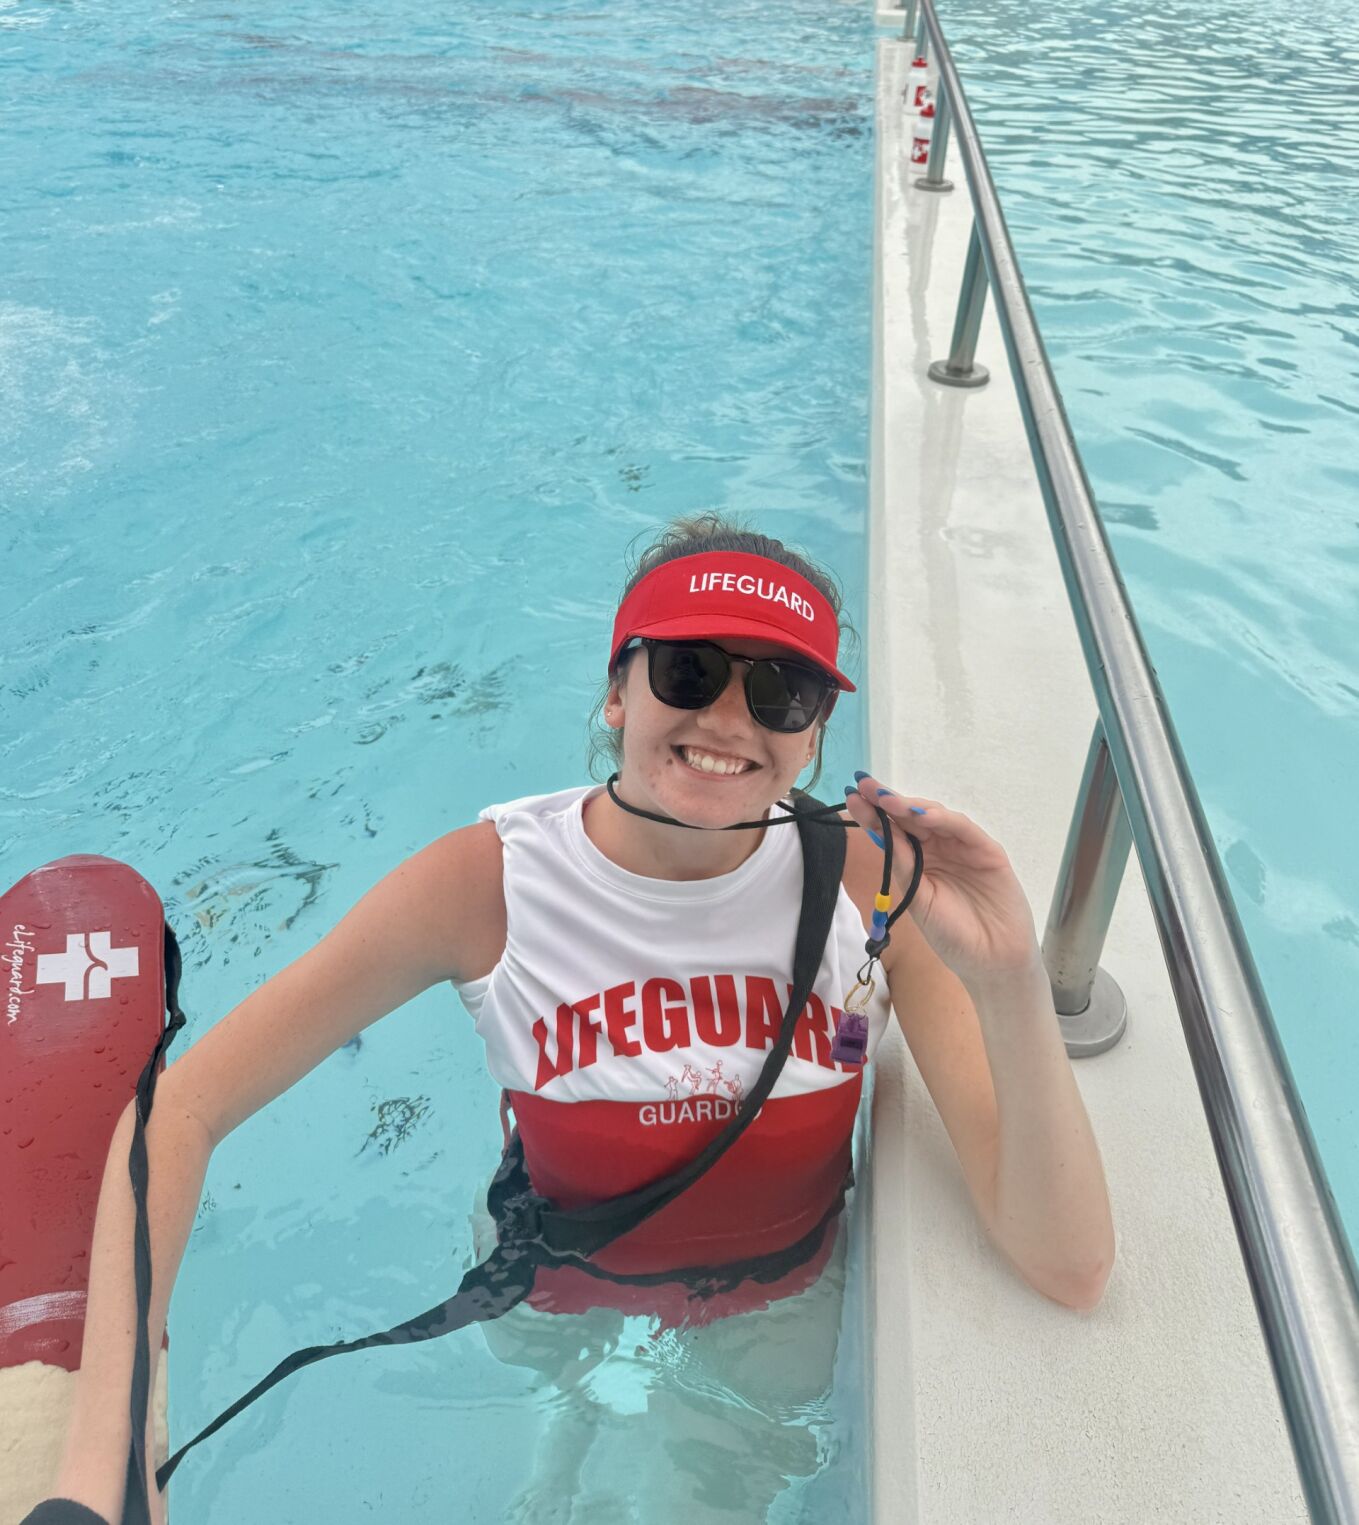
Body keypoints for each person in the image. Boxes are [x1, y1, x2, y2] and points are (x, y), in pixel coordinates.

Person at [36, 513, 1114, 1525]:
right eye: (689, 672)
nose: (729, 720)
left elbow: (1068, 1262)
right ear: (618, 692)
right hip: (545, 1291)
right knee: (545, 1478)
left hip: (777, 1308)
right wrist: (104, 1472)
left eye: (781, 691)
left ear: (818, 729)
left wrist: (1011, 973)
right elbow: (180, 1111)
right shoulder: (490, 882)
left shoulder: (871, 886)